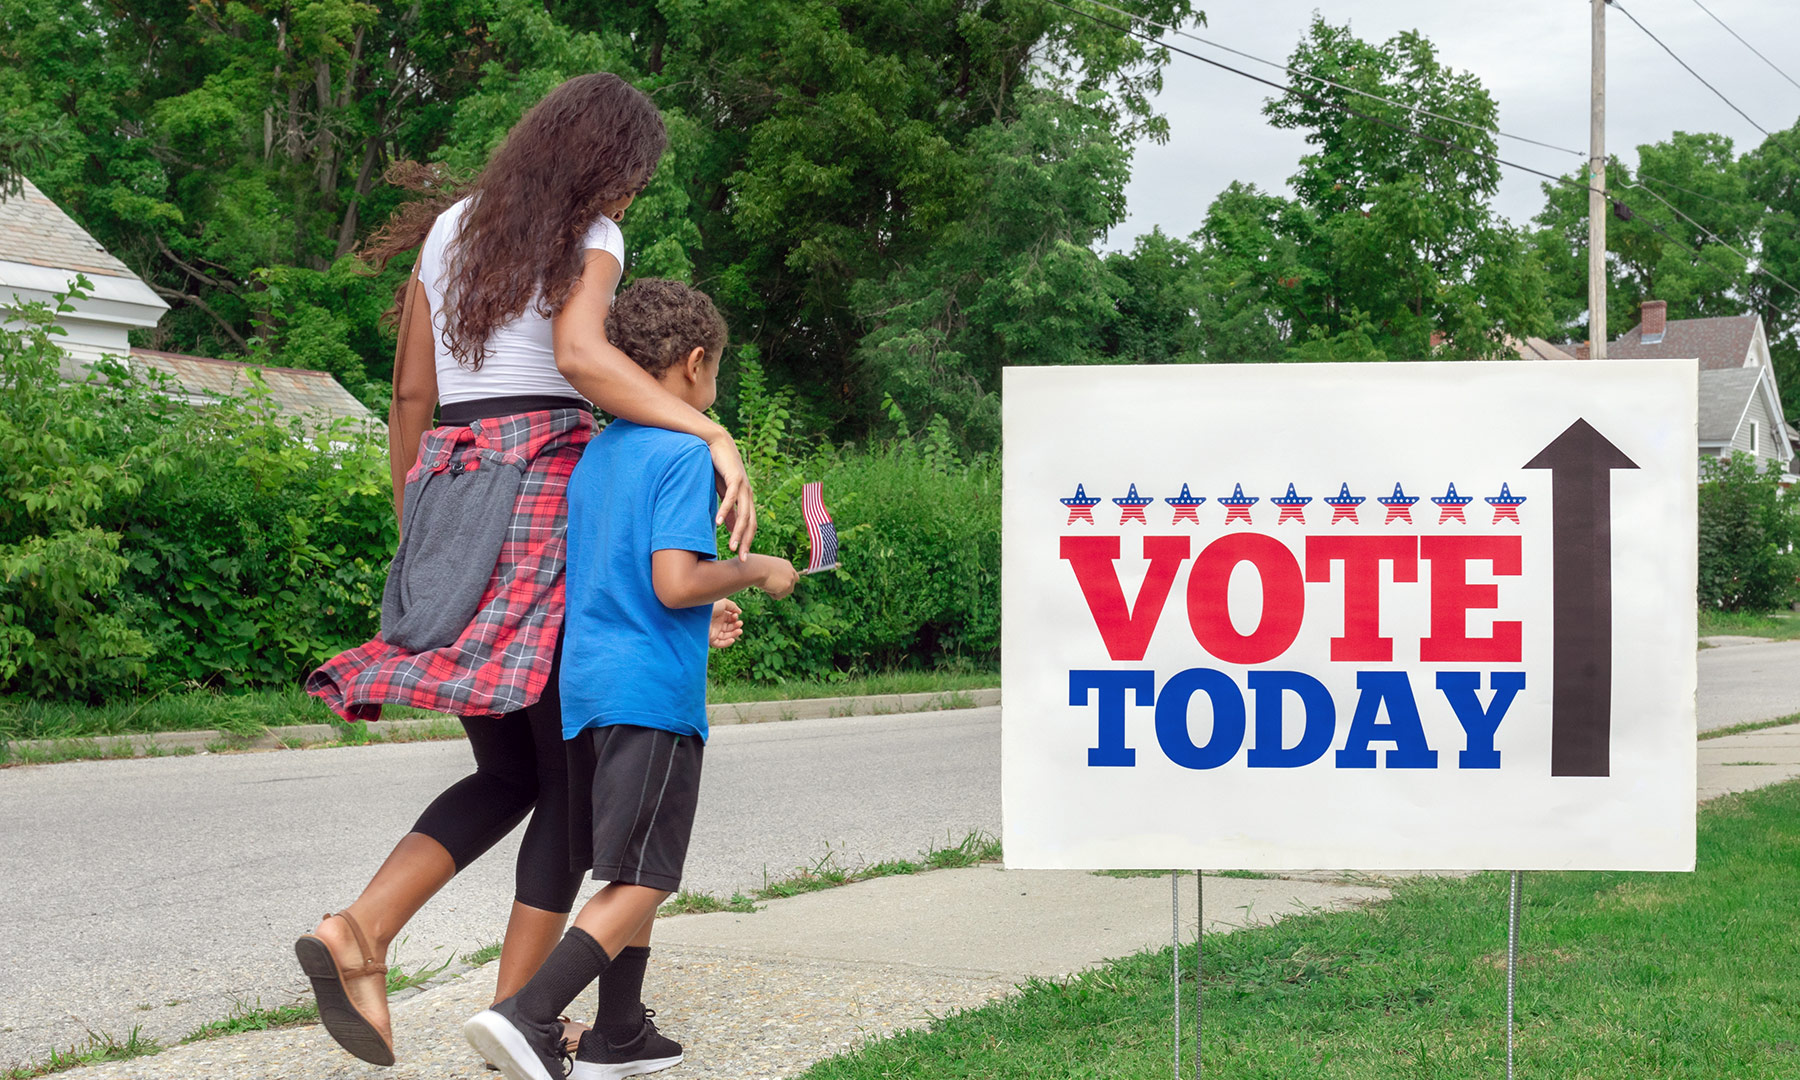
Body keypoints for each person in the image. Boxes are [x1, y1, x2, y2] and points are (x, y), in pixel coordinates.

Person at [294, 73, 757, 1069]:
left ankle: (366, 934)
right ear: (604, 167)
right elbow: (583, 357)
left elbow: (413, 392)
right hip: (541, 490)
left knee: (504, 768)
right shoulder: (591, 230)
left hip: (446, 487)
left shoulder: (454, 226)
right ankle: (519, 1015)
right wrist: (710, 428)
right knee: (565, 783)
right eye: (629, 177)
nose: (629, 197)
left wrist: (419, 525)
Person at [463, 278, 798, 1080]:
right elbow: (676, 580)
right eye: (715, 371)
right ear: (691, 365)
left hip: (587, 692)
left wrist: (696, 617)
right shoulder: (683, 450)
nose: (714, 388)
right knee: (647, 879)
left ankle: (620, 1033)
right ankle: (528, 1015)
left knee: (623, 863)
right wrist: (756, 570)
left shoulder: (599, 453)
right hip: (652, 698)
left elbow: (625, 582)